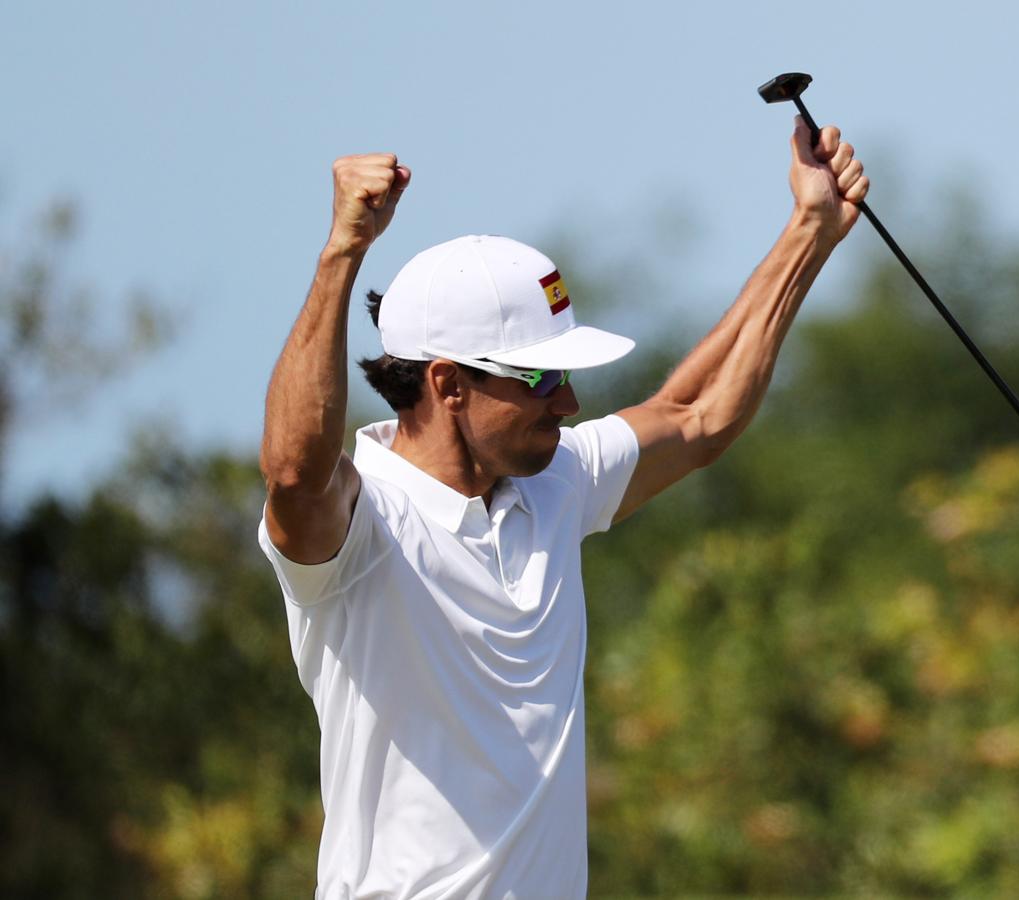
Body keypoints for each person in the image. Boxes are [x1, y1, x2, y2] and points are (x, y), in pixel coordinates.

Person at [257, 116, 869, 899]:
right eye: (541, 380)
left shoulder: (554, 480)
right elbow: (293, 475)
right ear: (447, 384)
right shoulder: (359, 524)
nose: (571, 401)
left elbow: (694, 416)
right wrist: (342, 252)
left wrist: (808, 233)